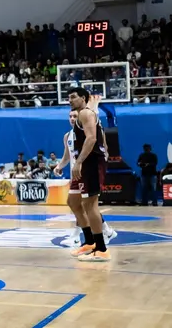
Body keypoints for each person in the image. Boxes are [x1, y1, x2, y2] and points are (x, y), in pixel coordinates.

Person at [54, 98, 116, 248]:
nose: (72, 119)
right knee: (75, 203)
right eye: (70, 117)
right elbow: (67, 156)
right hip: (76, 173)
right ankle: (100, 233)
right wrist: (59, 166)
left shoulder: (89, 131)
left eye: (75, 116)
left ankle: (88, 239)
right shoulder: (67, 136)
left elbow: (100, 144)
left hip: (88, 169)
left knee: (86, 204)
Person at [67, 86, 110, 262]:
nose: (70, 100)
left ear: (83, 98)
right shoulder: (83, 114)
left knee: (90, 204)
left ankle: (101, 248)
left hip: (91, 162)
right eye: (68, 97)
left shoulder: (85, 113)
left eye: (73, 97)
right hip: (87, 163)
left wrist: (78, 162)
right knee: (74, 202)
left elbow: (92, 138)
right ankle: (90, 241)